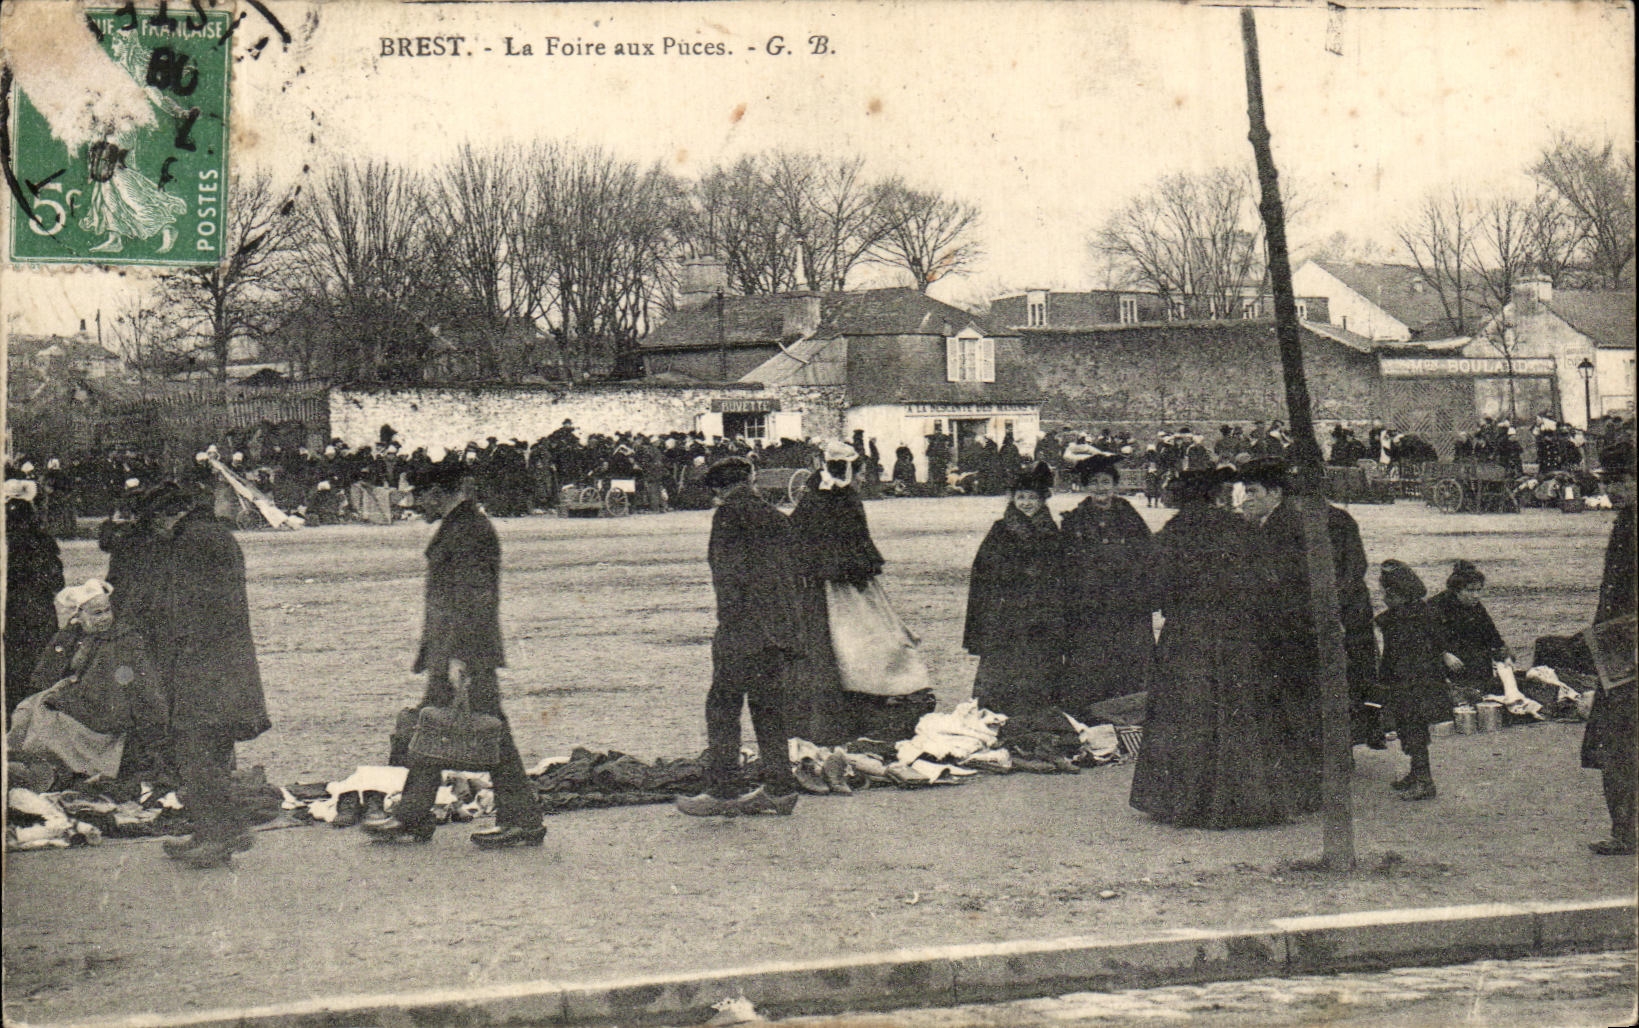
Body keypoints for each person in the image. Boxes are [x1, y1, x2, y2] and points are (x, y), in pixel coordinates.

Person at [363, 463, 545, 848]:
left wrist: (460, 657)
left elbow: (474, 599)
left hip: (464, 652)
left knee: (490, 735)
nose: (416, 504)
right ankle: (414, 815)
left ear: (436, 493)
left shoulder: (469, 530)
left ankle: (521, 820)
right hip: (453, 650)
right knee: (432, 729)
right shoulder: (463, 526)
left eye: (419, 496)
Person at [122, 484, 271, 868]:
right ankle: (210, 831)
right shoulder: (210, 536)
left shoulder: (193, 542)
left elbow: (185, 610)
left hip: (202, 666)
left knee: (193, 748)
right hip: (220, 663)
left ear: (166, 515)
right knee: (210, 750)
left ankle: (224, 833)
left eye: (155, 522)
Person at [1129, 467, 1286, 829]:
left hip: (1187, 636)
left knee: (1187, 713)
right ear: (1216, 496)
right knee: (1236, 710)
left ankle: (1184, 801)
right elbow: (1267, 582)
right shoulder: (1240, 530)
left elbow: (1151, 591)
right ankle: (1242, 801)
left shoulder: (1171, 534)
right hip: (1236, 634)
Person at [1239, 456, 1381, 815]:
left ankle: (1329, 765)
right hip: (1314, 620)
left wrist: (1333, 613)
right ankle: (1330, 761)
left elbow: (1350, 570)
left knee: (1335, 688)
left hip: (1336, 616)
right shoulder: (1284, 521)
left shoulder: (1331, 520)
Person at [675, 457, 805, 817]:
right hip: (779, 627)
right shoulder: (777, 516)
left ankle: (722, 790)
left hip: (743, 629)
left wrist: (729, 626)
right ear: (750, 480)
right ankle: (780, 790)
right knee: (769, 708)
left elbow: (728, 576)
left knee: (722, 705)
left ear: (719, 488)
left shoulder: (728, 516)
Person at [12, 579, 168, 785]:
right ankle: (23, 761)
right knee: (26, 709)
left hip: (103, 717)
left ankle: (49, 770)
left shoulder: (122, 640)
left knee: (46, 720)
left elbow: (110, 690)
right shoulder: (77, 635)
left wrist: (62, 698)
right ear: (79, 616)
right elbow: (49, 671)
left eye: (107, 611)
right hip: (82, 702)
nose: (104, 618)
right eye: (96, 613)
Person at [784, 441, 889, 744]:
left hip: (826, 583)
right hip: (834, 587)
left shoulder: (817, 496)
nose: (862, 479)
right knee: (847, 646)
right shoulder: (839, 500)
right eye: (861, 473)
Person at [1058, 454, 1156, 719]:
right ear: (1086, 487)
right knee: (1092, 661)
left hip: (1128, 605)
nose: (1100, 488)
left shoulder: (1129, 516)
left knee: (1131, 660)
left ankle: (1132, 714)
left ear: (1114, 485)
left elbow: (1148, 554)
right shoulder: (1074, 520)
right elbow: (1066, 564)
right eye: (1094, 482)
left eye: (1105, 482)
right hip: (1090, 606)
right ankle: (1092, 715)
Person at [963, 462, 1063, 717]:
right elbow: (984, 571)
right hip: (1007, 613)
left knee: (1039, 663)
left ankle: (1037, 714)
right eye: (1021, 497)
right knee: (1003, 666)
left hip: (1042, 612)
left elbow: (1061, 570)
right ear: (1012, 499)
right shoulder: (1001, 529)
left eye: (1032, 498)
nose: (1026, 503)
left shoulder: (1051, 530)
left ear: (1043, 500)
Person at [1582, 439, 1635, 855]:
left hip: (1628, 652)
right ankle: (1624, 832)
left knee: (1619, 743)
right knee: (1615, 745)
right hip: (1617, 650)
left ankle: (1625, 833)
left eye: (1619, 481)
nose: (1610, 490)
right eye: (1608, 482)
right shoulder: (1625, 522)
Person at [1375, 561, 1450, 802]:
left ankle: (1424, 781)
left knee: (1413, 728)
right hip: (1420, 680)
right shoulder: (1422, 613)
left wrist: (1386, 680)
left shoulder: (1403, 620)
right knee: (1411, 728)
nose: (1384, 598)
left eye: (1387, 593)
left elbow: (1397, 655)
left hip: (1411, 682)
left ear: (1398, 594)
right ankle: (1416, 773)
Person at [5, 479, 65, 716]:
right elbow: (56, 581)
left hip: (11, 612)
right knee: (38, 668)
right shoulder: (40, 539)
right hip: (36, 611)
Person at [1428, 560, 1510, 706]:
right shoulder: (1436, 605)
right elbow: (1426, 636)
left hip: (1472, 660)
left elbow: (1491, 633)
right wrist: (1443, 654)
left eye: (1479, 590)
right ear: (1456, 590)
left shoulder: (1476, 607)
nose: (1476, 595)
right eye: (1470, 591)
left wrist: (1503, 653)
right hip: (1448, 660)